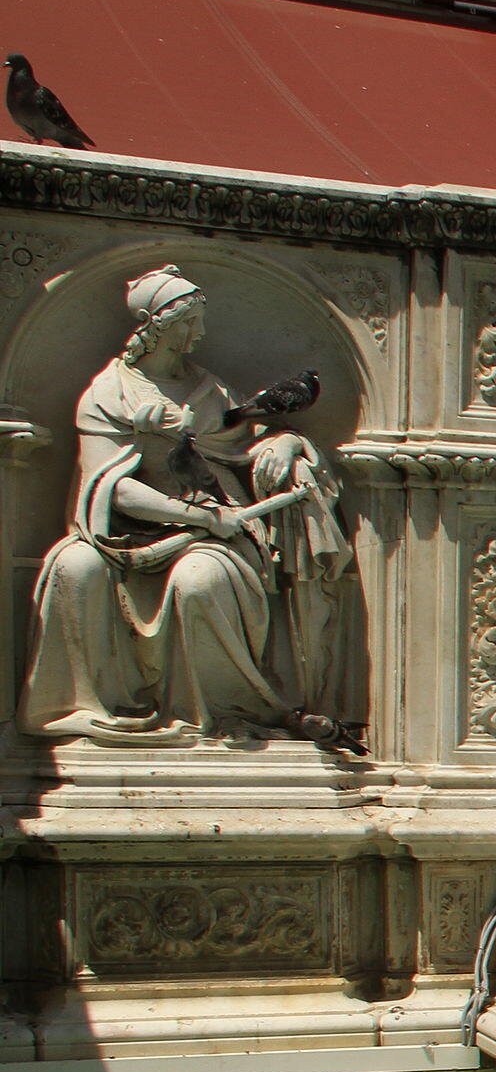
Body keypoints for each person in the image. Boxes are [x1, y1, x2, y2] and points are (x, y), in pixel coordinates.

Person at [20, 265, 354, 746]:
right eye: (188, 322)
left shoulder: (209, 390)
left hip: (216, 531)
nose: (199, 333)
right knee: (74, 566)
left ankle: (216, 719)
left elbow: (243, 447)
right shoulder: (107, 393)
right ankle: (86, 710)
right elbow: (111, 488)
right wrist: (199, 515)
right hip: (131, 532)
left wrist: (286, 444)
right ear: (157, 326)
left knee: (201, 580)